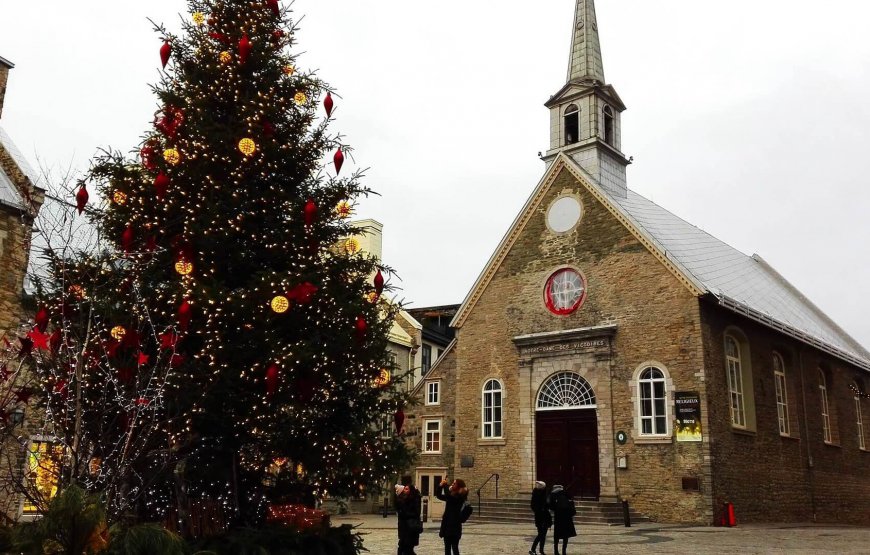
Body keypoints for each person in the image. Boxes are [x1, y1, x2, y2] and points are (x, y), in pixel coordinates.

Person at [435, 477, 468, 555]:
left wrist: (446, 485)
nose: (452, 484)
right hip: (447, 525)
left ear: (459, 486)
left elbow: (449, 496)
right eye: (453, 483)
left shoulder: (460, 497)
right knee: (447, 548)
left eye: (454, 483)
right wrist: (440, 485)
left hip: (454, 526)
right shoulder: (451, 495)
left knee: (454, 548)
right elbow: (439, 495)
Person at [395, 476, 422, 555]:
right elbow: (398, 506)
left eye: (406, 489)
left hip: (411, 528)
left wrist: (404, 513)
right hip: (404, 529)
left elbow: (416, 513)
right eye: (404, 489)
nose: (404, 491)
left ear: (411, 491)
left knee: (408, 550)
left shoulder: (414, 500)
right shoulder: (403, 499)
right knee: (402, 548)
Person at [547, 484, 576, 555]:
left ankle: (556, 551)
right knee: (565, 536)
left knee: (556, 535)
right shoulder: (566, 494)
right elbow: (572, 509)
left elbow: (551, 507)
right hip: (567, 518)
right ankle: (564, 552)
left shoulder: (553, 495)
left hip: (558, 518)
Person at [529, 480, 552, 555]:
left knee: (542, 534)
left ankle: (541, 550)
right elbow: (533, 505)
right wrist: (539, 510)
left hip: (543, 516)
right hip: (541, 516)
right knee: (541, 534)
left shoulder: (544, 493)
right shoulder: (537, 494)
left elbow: (547, 504)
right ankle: (533, 549)